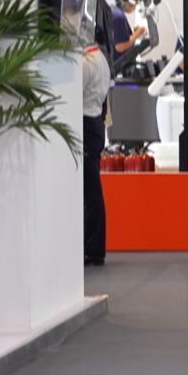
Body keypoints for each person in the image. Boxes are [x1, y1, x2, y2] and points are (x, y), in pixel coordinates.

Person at [82, 42, 112, 267]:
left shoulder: (86, 63)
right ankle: (92, 246)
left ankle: (93, 247)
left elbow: (72, 93)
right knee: (91, 189)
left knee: (90, 191)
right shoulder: (100, 58)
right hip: (95, 124)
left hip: (85, 124)